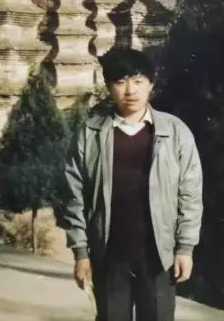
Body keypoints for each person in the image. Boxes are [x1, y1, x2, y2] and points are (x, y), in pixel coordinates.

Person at [57, 48, 204, 321]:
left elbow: (190, 195)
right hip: (109, 256)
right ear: (109, 86)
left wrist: (185, 248)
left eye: (138, 81)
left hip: (158, 257)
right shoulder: (90, 134)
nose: (130, 91)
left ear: (151, 85)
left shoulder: (175, 132)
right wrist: (81, 253)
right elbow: (73, 197)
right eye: (120, 82)